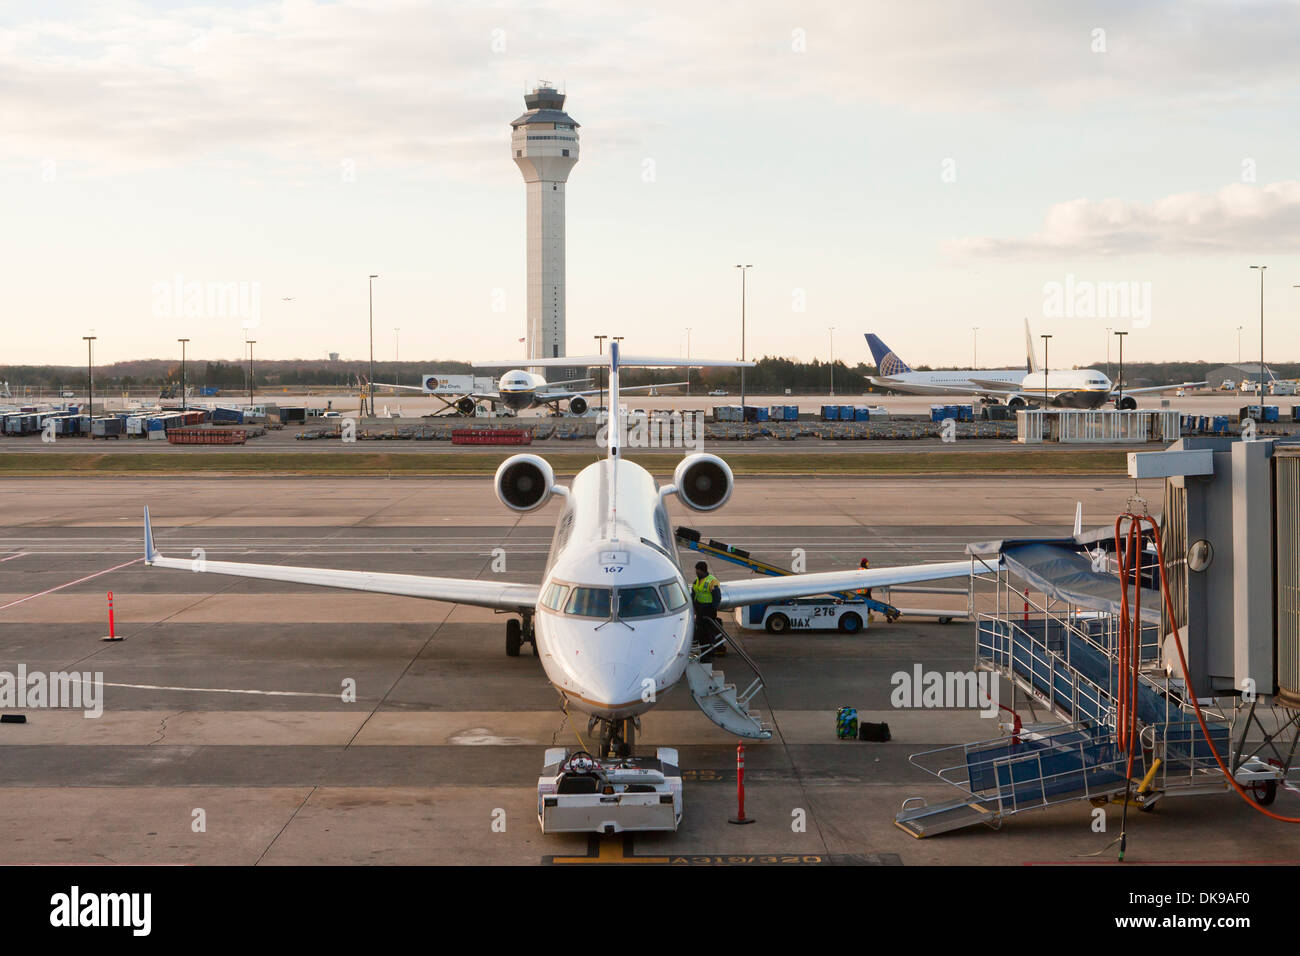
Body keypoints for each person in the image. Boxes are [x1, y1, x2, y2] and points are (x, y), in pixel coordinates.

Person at [691, 561, 725, 657]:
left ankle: (710, 650)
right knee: (701, 631)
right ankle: (703, 648)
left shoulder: (712, 581)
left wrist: (712, 609)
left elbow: (717, 597)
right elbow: (694, 594)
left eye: (697, 570)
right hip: (700, 609)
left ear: (701, 570)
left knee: (708, 631)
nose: (696, 572)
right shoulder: (696, 581)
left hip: (708, 610)